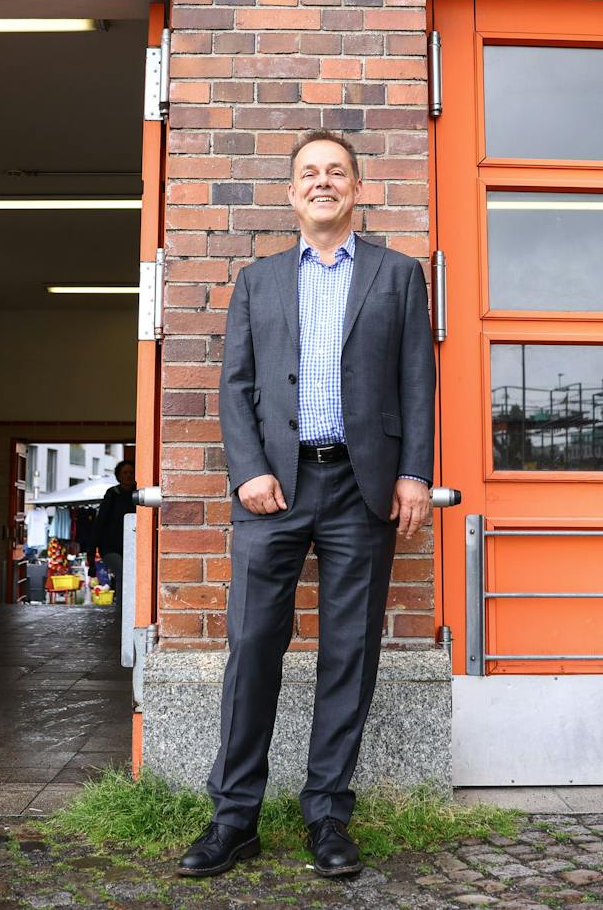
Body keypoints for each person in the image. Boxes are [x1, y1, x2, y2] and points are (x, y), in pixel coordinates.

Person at [177, 129, 435, 881]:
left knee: (348, 651)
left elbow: (416, 379)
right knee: (254, 644)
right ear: (291, 194)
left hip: (362, 486)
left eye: (336, 172)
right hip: (275, 490)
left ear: (357, 188)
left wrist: (413, 472)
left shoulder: (397, 275)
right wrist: (249, 469)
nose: (323, 183)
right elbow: (234, 386)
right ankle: (234, 819)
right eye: (309, 174)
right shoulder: (257, 280)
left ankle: (327, 813)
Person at [94, 459, 139, 585]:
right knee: (123, 573)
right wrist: (91, 552)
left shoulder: (139, 494)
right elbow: (100, 522)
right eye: (125, 472)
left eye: (131, 472)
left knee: (133, 575)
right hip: (110, 548)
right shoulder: (112, 494)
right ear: (118, 476)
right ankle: (121, 605)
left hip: (132, 546)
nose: (129, 475)